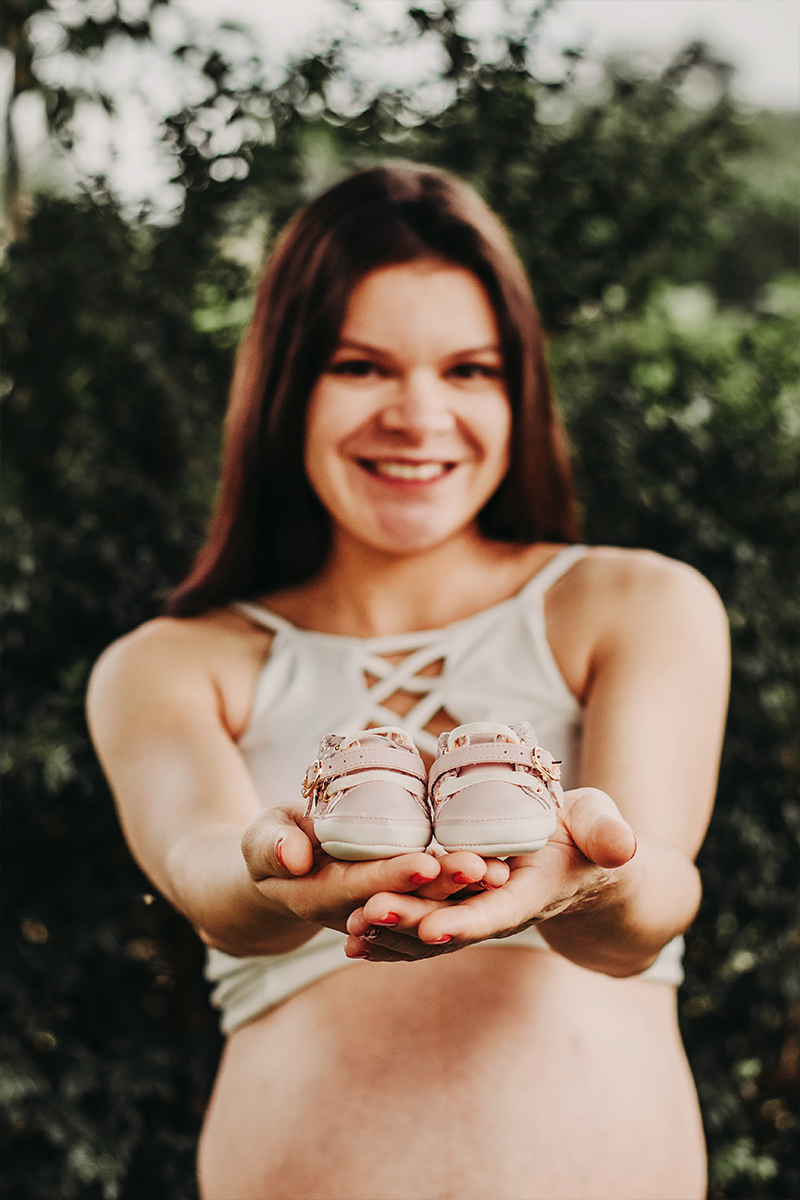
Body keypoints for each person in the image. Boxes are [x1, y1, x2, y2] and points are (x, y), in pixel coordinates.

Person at [87, 164, 730, 1200]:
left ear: (517, 388)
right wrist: (276, 872)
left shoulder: (634, 605)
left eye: (469, 369)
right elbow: (214, 887)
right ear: (287, 383)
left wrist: (593, 876)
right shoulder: (169, 664)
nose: (418, 414)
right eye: (360, 366)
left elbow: (653, 898)